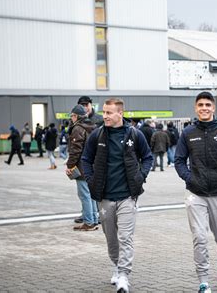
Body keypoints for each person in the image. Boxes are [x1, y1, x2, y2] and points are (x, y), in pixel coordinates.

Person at [175, 91, 217, 293]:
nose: (204, 108)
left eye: (208, 104)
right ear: (196, 108)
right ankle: (203, 282)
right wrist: (190, 178)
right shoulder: (188, 133)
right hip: (195, 194)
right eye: (200, 105)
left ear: (214, 108)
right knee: (199, 237)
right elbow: (179, 160)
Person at [82, 98, 153, 293]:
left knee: (125, 237)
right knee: (111, 238)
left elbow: (148, 157)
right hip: (105, 196)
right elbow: (86, 159)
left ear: (120, 113)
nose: (104, 116)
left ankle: (123, 276)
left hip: (128, 196)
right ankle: (116, 264)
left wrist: (141, 177)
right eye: (104, 112)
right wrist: (90, 179)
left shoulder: (134, 134)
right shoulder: (97, 135)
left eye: (109, 112)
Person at [66, 105, 98, 231]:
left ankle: (88, 222)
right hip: (93, 165)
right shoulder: (93, 127)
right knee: (91, 195)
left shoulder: (78, 129)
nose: (71, 118)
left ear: (76, 116)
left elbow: (75, 150)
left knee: (84, 194)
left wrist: (70, 165)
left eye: (72, 116)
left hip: (82, 166)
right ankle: (94, 220)